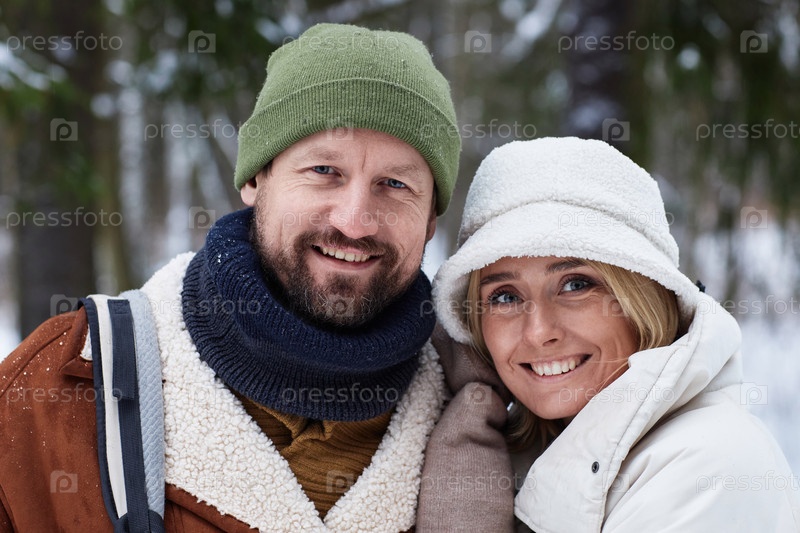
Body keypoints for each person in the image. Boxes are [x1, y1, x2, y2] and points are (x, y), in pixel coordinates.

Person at [0, 23, 462, 531]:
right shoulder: (51, 390)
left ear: (430, 220)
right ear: (256, 178)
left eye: (394, 184)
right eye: (324, 171)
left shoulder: (483, 423)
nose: (354, 222)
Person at [422, 137, 800, 531]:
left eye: (575, 285)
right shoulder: (509, 454)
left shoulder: (708, 467)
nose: (538, 332)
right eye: (505, 296)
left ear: (643, 297)